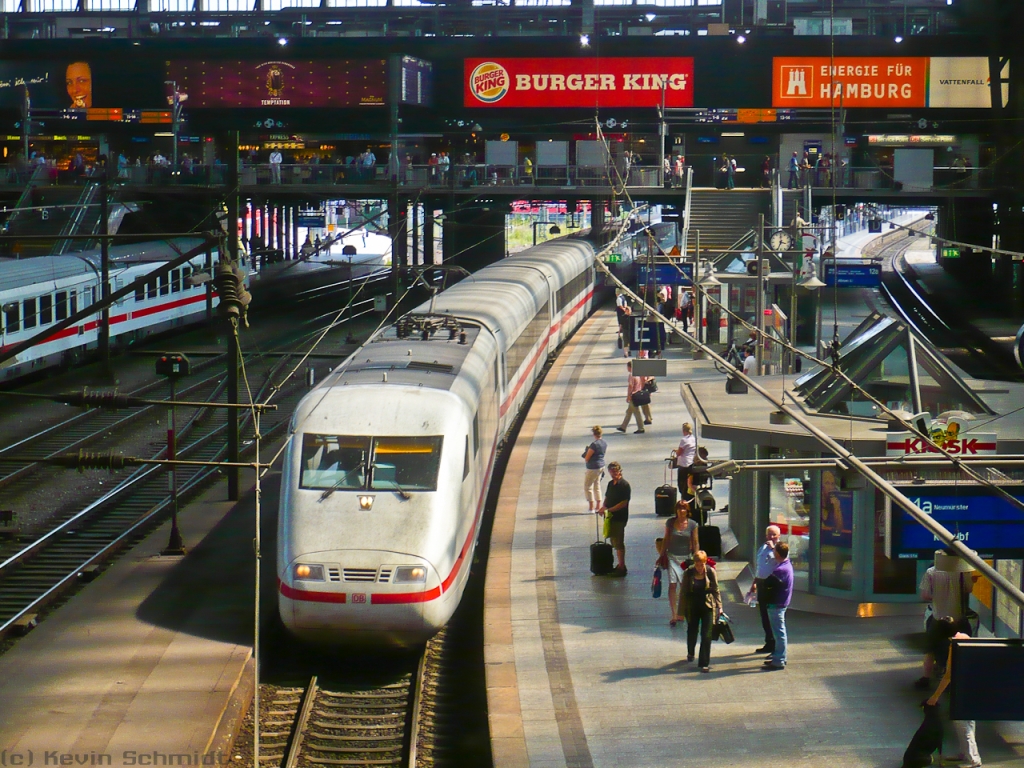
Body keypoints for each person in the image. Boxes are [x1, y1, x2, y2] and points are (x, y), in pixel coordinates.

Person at [916, 550, 977, 689]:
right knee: (960, 650)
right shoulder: (964, 571)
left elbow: (925, 595)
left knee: (930, 649)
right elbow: (969, 589)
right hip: (958, 619)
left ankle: (926, 678)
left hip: (938, 617)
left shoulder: (931, 572)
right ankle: (955, 678)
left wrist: (939, 596)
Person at [925, 617, 982, 768]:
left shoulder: (953, 646)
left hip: (962, 688)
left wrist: (935, 696)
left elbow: (949, 675)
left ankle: (973, 759)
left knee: (962, 723)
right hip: (972, 686)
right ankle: (964, 753)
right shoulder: (965, 637)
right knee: (968, 722)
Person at [677, 551, 722, 673]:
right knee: (692, 630)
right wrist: (680, 612)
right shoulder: (689, 573)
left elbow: (716, 589)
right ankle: (691, 651)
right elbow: (683, 593)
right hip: (692, 605)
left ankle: (704, 663)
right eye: (697, 565)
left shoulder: (710, 571)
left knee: (706, 635)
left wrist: (720, 607)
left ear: (705, 562)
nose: (699, 568)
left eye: (701, 564)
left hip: (707, 605)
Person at [662, 499, 699, 627]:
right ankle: (673, 614)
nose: (681, 511)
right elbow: (666, 539)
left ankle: (682, 612)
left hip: (686, 558)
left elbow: (695, 542)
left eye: (683, 508)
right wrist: (662, 555)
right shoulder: (670, 523)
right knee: (672, 584)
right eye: (679, 508)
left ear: (687, 511)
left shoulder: (693, 525)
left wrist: (697, 558)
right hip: (672, 556)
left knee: (685, 586)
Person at [745, 525, 782, 655]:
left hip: (771, 585)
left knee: (772, 616)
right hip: (761, 583)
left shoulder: (779, 549)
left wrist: (773, 547)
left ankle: (775, 644)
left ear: (779, 536)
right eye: (769, 534)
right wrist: (754, 582)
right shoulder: (763, 547)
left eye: (773, 535)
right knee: (764, 615)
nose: (771, 537)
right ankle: (769, 641)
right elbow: (760, 566)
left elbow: (782, 561)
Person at [761, 541, 794, 670]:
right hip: (781, 602)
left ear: (778, 554)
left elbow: (767, 582)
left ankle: (779, 659)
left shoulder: (780, 570)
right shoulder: (787, 564)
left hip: (777, 604)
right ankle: (778, 656)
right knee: (779, 631)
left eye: (775, 552)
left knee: (779, 632)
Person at [597, 462, 630, 576]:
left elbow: (623, 503)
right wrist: (603, 507)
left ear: (620, 471)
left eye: (615, 471)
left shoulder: (624, 485)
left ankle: (622, 566)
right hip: (610, 517)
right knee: (613, 540)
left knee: (618, 541)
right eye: (611, 471)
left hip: (619, 517)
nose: (614, 474)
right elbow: (607, 497)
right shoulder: (611, 484)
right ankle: (619, 565)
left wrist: (609, 510)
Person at [616, 360, 649, 433]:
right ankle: (623, 427)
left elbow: (630, 386)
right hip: (637, 394)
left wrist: (628, 396)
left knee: (636, 412)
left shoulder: (631, 375)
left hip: (633, 396)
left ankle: (641, 428)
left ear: (629, 367)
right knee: (629, 412)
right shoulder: (637, 374)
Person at [582, 426, 607, 514]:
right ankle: (598, 506)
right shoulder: (604, 442)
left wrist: (586, 453)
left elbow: (587, 458)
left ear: (594, 434)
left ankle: (591, 507)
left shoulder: (594, 445)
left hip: (592, 467)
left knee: (588, 486)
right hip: (601, 466)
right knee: (597, 485)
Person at [672, 422, 697, 496]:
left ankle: (683, 496)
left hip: (684, 464)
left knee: (682, 483)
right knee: (689, 482)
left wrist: (675, 451)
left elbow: (679, 452)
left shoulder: (684, 440)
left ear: (683, 430)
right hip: (691, 463)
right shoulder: (694, 439)